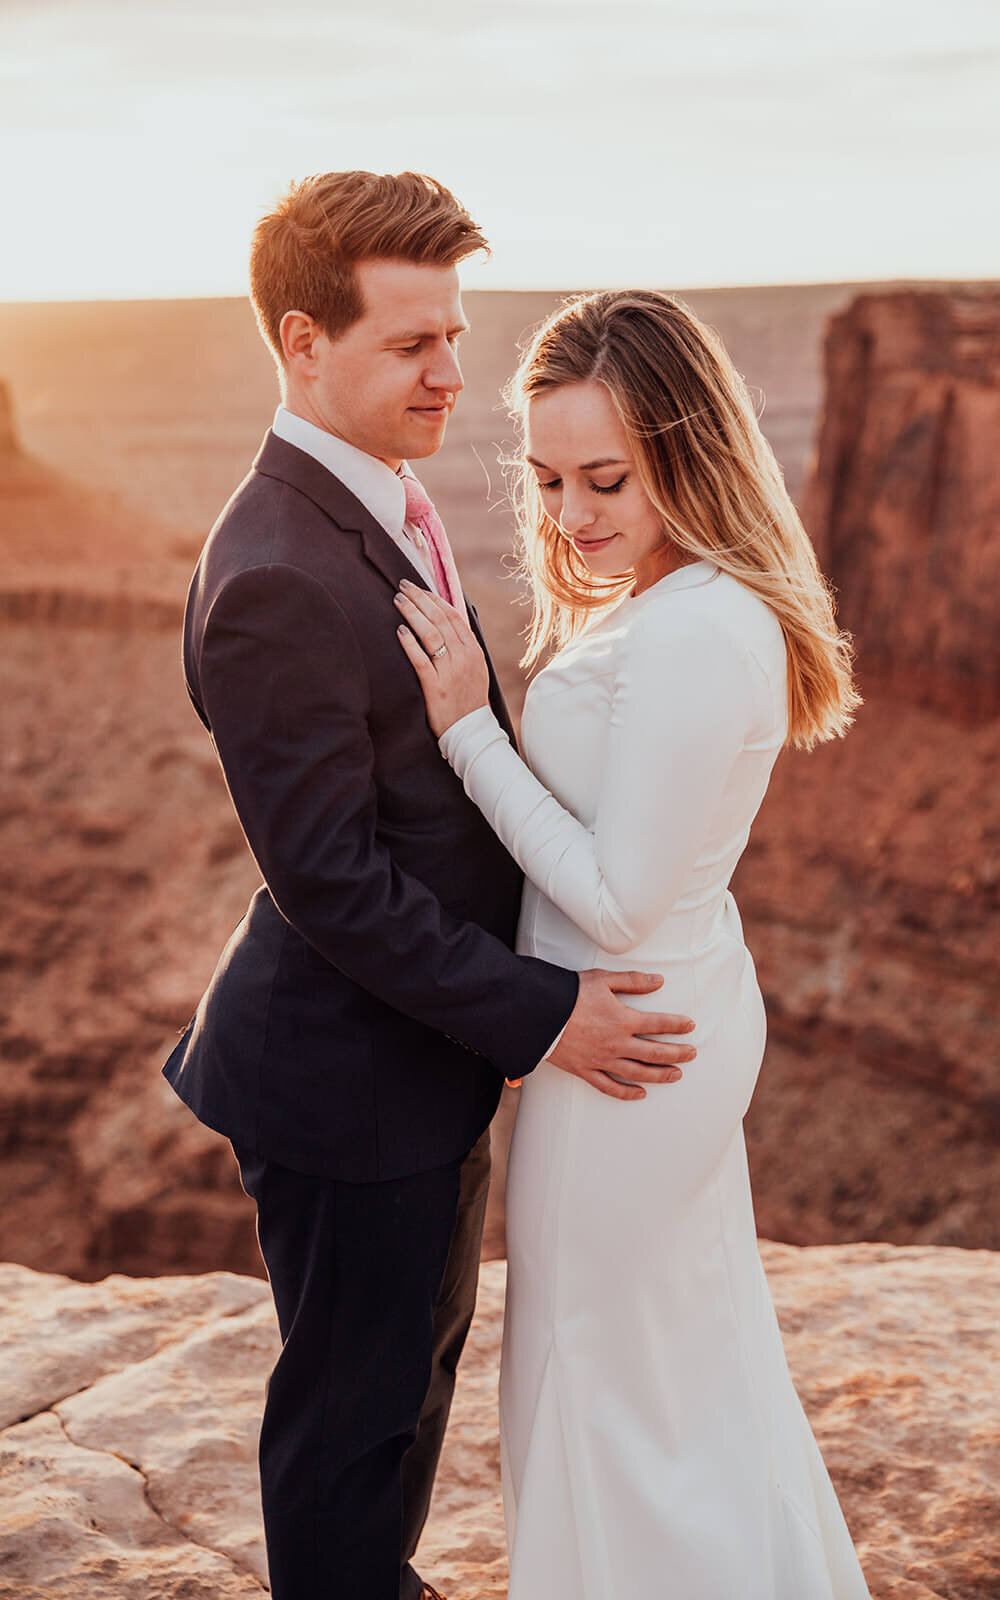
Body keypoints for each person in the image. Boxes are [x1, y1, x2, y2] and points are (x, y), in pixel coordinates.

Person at [161, 177, 698, 1600]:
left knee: (405, 1388)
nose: (452, 375)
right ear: (303, 342)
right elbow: (334, 885)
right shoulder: (278, 569)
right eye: (412, 345)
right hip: (347, 1086)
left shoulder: (380, 498)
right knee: (350, 1424)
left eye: (454, 336)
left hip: (414, 1063)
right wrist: (545, 1015)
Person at [397, 289, 871, 1598]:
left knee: (603, 1365)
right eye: (547, 479)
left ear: (690, 448)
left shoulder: (703, 630)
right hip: (640, 1019)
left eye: (604, 478)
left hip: (631, 1043)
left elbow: (612, 895)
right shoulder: (671, 602)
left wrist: (465, 728)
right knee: (663, 1354)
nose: (569, 517)